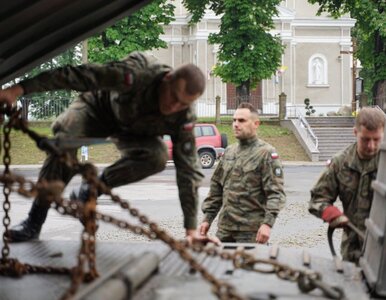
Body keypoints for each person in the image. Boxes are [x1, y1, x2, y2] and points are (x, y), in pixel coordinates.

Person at [0, 51, 216, 244]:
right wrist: (18, 90)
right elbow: (76, 76)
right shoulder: (135, 74)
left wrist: (190, 230)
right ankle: (34, 222)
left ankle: (91, 188)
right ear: (167, 80)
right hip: (98, 110)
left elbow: (187, 170)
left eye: (183, 104)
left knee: (158, 157)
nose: (173, 107)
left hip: (135, 132)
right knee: (64, 142)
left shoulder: (183, 116)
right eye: (174, 97)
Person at [199, 102, 286, 243]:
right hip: (224, 230)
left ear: (256, 124)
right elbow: (216, 189)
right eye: (234, 120)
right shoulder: (228, 152)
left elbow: (275, 193)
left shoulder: (266, 154)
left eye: (241, 120)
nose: (236, 124)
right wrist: (207, 219)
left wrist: (267, 224)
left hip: (251, 232)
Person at [309, 107, 385, 263]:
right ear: (355, 133)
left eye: (376, 139)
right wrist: (331, 214)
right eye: (365, 139)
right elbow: (317, 199)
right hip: (353, 249)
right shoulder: (340, 163)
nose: (371, 146)